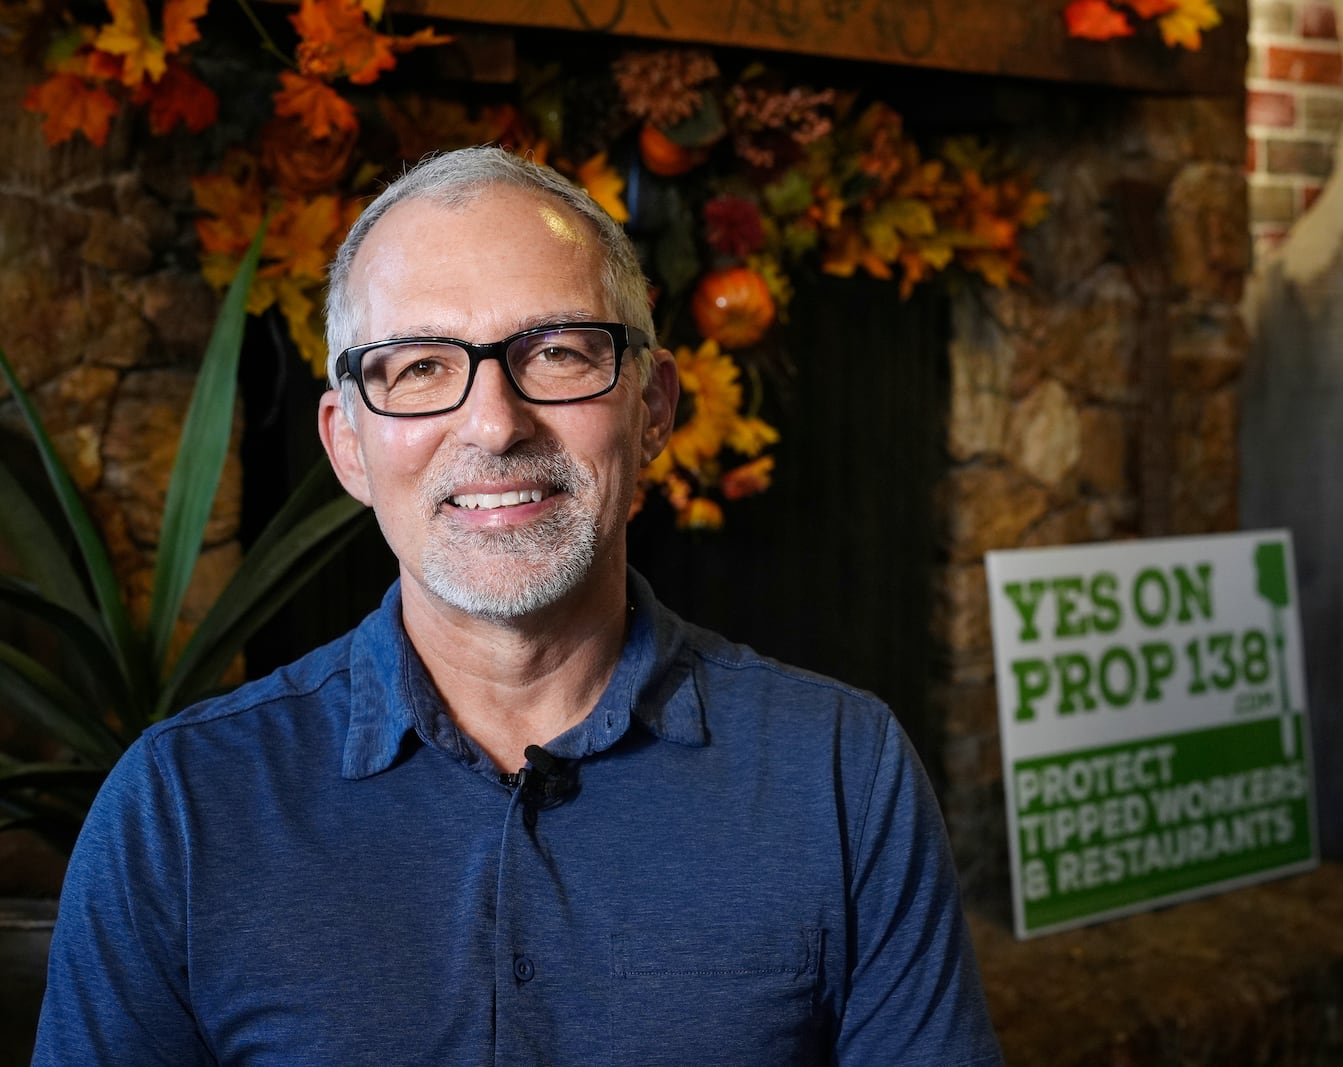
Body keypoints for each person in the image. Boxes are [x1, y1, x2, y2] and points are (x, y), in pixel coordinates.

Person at [33, 146, 1002, 1065]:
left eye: (559, 351)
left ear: (655, 406)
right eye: (418, 367)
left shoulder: (838, 769)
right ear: (347, 445)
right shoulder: (180, 807)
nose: (495, 423)